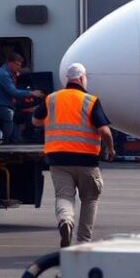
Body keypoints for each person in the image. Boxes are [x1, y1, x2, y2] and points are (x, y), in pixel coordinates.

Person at [32, 63, 115, 247]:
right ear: (82, 79)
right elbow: (105, 131)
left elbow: (36, 121)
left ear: (68, 80)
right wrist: (110, 149)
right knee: (90, 199)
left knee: (64, 196)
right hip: (86, 160)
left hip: (57, 159)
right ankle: (83, 241)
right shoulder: (90, 101)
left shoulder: (51, 99)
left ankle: (66, 221)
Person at [0, 52, 43, 143]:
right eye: (17, 65)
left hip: (2, 104)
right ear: (10, 63)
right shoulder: (3, 75)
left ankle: (13, 139)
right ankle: (8, 141)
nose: (19, 68)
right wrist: (31, 93)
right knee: (10, 116)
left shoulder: (8, 72)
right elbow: (13, 92)